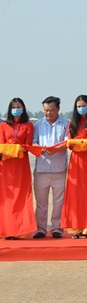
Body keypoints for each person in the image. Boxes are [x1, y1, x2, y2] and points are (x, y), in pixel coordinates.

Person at [61, 95, 87, 239]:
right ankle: (76, 227)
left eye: (83, 105)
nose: (81, 108)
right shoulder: (72, 123)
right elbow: (69, 143)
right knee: (76, 194)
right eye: (78, 106)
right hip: (76, 162)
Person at [32, 96, 68, 239]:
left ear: (58, 109)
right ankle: (40, 228)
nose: (48, 113)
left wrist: (57, 149)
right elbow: (33, 143)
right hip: (41, 169)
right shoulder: (38, 125)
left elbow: (67, 142)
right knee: (41, 202)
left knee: (59, 201)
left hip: (59, 169)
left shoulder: (66, 124)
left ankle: (56, 228)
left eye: (51, 110)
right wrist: (38, 148)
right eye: (46, 110)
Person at [0, 98, 37, 239]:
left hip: (21, 165)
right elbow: (1, 146)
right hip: (6, 166)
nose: (16, 110)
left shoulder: (28, 125)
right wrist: (14, 147)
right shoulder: (3, 126)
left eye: (19, 107)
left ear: (23, 109)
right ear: (9, 110)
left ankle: (21, 230)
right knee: (7, 198)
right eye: (14, 107)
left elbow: (27, 146)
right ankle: (7, 230)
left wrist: (16, 147)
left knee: (21, 197)